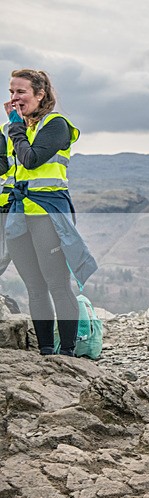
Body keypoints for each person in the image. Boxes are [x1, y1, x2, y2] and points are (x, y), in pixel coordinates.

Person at [0, 69, 96, 356]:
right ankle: (45, 351)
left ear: (40, 94)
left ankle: (67, 353)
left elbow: (30, 160)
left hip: (47, 213)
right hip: (17, 213)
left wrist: (15, 126)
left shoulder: (57, 125)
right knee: (34, 286)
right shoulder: (9, 131)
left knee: (56, 283)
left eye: (21, 92)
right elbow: (5, 167)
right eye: (11, 92)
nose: (14, 98)